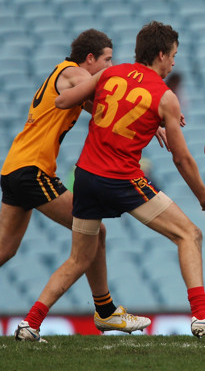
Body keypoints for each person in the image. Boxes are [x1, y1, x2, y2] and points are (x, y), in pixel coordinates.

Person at [14, 21, 205, 342]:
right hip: (122, 179)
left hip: (85, 176)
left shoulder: (110, 73)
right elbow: (181, 159)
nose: (174, 63)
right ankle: (203, 316)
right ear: (161, 54)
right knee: (189, 234)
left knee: (81, 256)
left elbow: (62, 102)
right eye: (174, 55)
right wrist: (203, 197)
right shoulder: (165, 97)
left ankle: (31, 323)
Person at [2, 29, 150, 341]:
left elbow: (98, 109)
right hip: (33, 170)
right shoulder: (74, 72)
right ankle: (105, 312)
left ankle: (106, 312)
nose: (111, 65)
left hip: (16, 167)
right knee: (94, 232)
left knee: (5, 250)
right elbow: (105, 97)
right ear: (90, 59)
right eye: (107, 60)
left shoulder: (65, 75)